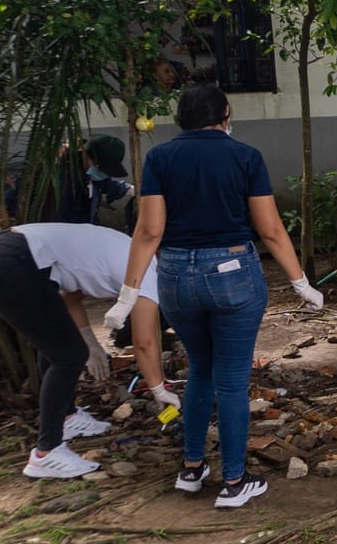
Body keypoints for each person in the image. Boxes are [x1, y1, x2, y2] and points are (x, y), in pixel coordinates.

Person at [105, 83, 323, 509]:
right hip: (232, 274)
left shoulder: (160, 158)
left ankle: (191, 469)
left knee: (200, 368)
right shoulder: (245, 156)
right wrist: (300, 283)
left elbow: (149, 231)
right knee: (233, 379)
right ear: (225, 113)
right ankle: (235, 482)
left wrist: (127, 295)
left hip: (174, 277)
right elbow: (271, 230)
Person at [0, 224, 177, 480]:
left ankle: (66, 418)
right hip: (12, 262)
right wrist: (158, 389)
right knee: (69, 356)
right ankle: (46, 453)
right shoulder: (148, 273)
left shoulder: (130, 249)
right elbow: (144, 342)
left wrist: (90, 339)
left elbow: (71, 295)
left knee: (58, 346)